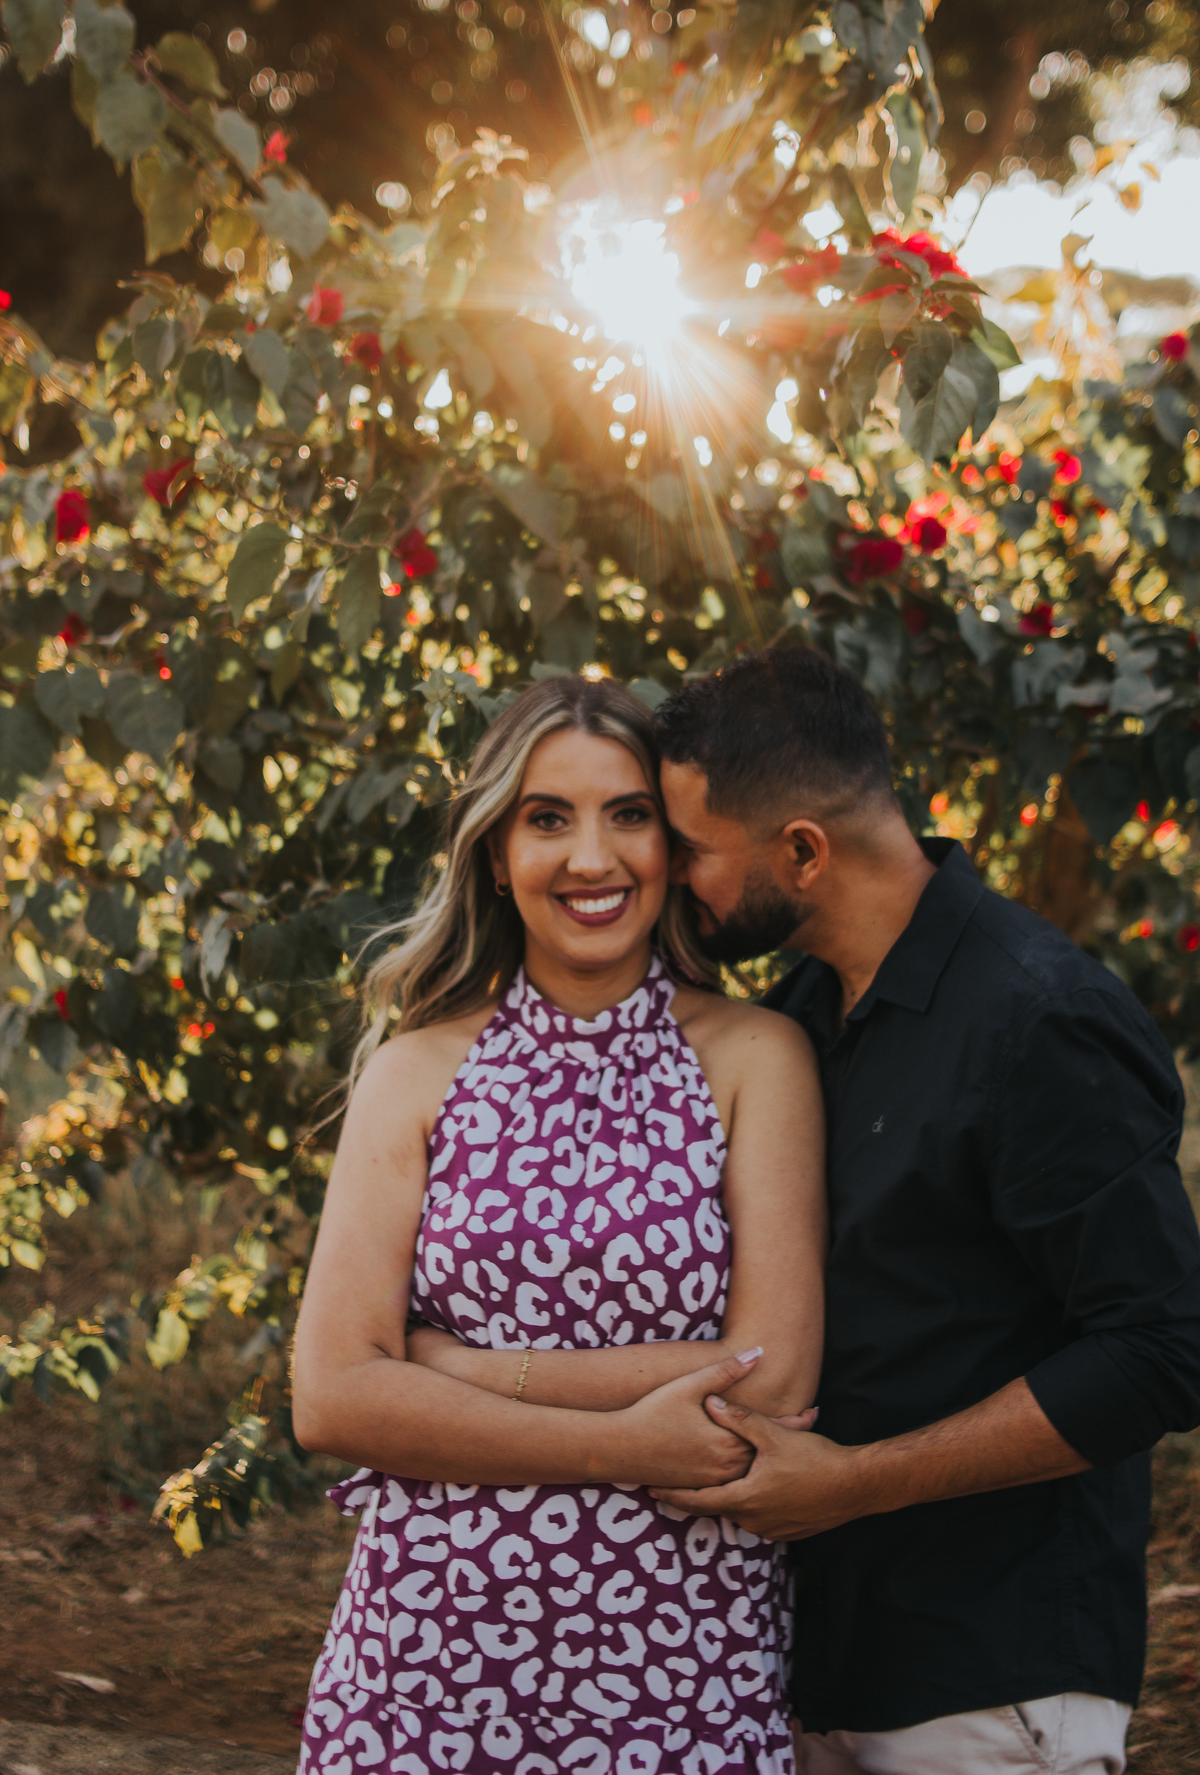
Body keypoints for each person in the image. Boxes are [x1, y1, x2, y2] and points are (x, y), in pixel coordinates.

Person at [650, 643, 1200, 1775]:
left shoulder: (1039, 1019)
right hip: (821, 1668)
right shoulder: (795, 1018)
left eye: (691, 850)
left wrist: (853, 1485)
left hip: (992, 1684)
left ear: (802, 851)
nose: (669, 877)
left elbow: (1161, 1350)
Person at [292, 674, 827, 1775]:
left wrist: (458, 1371)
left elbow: (768, 1386)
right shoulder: (416, 1072)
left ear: (673, 845)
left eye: (628, 815)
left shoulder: (755, 1057)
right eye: (548, 819)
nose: (593, 859)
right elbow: (334, 1395)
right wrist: (625, 1442)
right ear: (497, 854)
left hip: (683, 1660)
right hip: (424, 1669)